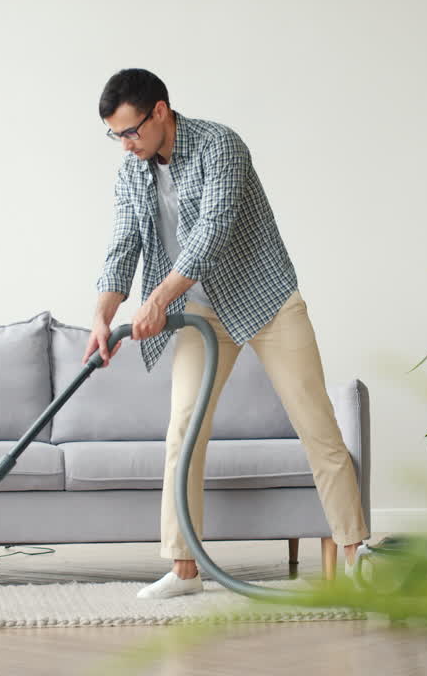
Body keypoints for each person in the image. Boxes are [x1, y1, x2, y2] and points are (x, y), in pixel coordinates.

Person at [84, 68, 369, 599]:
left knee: (316, 423)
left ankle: (354, 556)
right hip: (200, 312)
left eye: (131, 132)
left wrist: (156, 302)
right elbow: (122, 245)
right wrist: (103, 313)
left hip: (265, 298)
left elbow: (211, 232)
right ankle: (184, 566)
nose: (124, 145)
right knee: (183, 431)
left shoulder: (220, 145)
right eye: (116, 135)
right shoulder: (131, 172)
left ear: (161, 112)